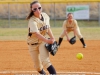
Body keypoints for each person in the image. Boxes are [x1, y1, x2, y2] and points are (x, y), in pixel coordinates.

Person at [26, 1, 56, 74]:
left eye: (39, 8)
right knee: (38, 67)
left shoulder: (45, 16)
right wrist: (48, 41)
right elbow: (37, 34)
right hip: (32, 45)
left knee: (46, 61)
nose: (37, 10)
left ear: (41, 8)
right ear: (31, 10)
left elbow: (48, 28)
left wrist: (52, 38)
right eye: (35, 9)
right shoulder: (32, 21)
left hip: (42, 42)